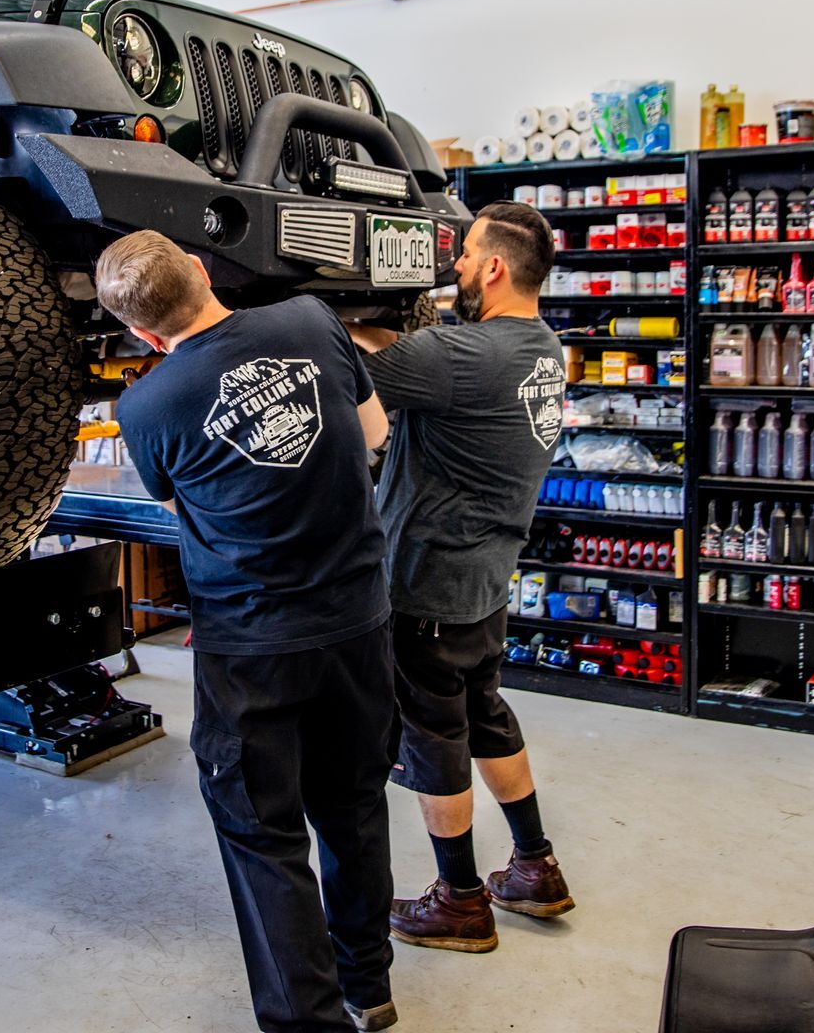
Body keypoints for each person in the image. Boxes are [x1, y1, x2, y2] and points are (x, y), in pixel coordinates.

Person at [98, 229, 400, 1033]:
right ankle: (369, 987)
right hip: (356, 625)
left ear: (141, 334)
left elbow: (176, 511)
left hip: (251, 646)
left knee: (261, 834)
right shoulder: (308, 319)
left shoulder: (146, 405)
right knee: (355, 804)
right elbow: (375, 437)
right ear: (200, 271)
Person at [345, 201, 574, 955]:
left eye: (468, 253)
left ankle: (460, 900)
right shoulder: (540, 349)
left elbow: (354, 367)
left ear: (497, 267)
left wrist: (315, 315)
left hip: (428, 583)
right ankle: (535, 868)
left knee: (434, 734)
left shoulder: (463, 357)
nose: (458, 266)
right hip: (484, 580)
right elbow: (419, 353)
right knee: (484, 713)